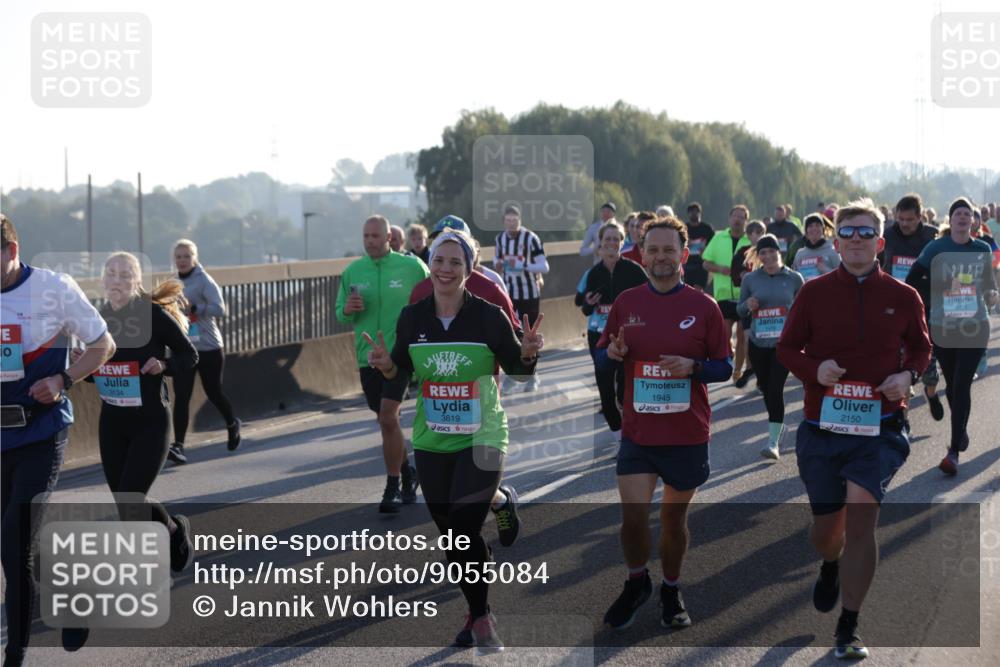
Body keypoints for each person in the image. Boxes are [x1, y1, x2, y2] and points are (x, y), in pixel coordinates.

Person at [365, 231, 543, 653]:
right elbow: (401, 371)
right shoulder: (413, 317)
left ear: (469, 268)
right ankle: (500, 503)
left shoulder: (488, 316)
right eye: (439, 261)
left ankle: (481, 618)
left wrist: (528, 353)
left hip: (484, 434)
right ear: (430, 265)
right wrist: (387, 365)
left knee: (464, 526)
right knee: (453, 538)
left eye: (455, 262)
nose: (445, 269)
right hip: (433, 439)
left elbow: (519, 372)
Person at [777, 198, 931, 660]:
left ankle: (849, 624)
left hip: (879, 428)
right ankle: (830, 562)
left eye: (866, 233)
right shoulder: (813, 293)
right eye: (848, 233)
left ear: (880, 244)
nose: (857, 240)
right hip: (822, 429)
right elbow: (787, 349)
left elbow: (921, 349)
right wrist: (815, 369)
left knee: (862, 519)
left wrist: (908, 376)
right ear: (837, 242)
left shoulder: (904, 297)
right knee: (828, 533)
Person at [596, 217, 733, 631]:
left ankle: (671, 589)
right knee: (633, 518)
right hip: (639, 433)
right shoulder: (626, 303)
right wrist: (613, 354)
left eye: (669, 250)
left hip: (686, 434)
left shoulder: (704, 307)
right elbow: (602, 356)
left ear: (684, 255)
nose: (660, 257)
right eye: (652, 249)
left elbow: (724, 366)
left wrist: (694, 367)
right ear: (641, 255)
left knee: (673, 521)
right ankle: (637, 581)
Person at [2, 215, 116, 667]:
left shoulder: (53, 288)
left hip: (40, 432)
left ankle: (14, 655)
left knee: (13, 545)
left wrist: (62, 379)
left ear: (12, 251)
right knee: (16, 543)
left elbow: (103, 345)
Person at [77, 253, 199, 648]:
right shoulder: (97, 320)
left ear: (136, 280)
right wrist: (81, 366)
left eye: (124, 275)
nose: (116, 280)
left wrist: (162, 365)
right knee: (128, 504)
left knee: (130, 500)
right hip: (113, 424)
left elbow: (189, 355)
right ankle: (173, 529)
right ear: (103, 280)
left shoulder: (152, 316)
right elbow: (92, 371)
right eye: (110, 274)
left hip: (150, 423)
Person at [336, 215, 429, 512]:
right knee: (385, 420)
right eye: (366, 236)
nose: (369, 241)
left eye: (375, 236)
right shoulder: (353, 271)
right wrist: (347, 309)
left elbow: (433, 297)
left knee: (388, 416)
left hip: (400, 354)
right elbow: (340, 313)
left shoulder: (412, 267)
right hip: (369, 357)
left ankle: (393, 486)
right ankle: (408, 473)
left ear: (389, 237)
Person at [905, 197, 999, 475]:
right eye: (958, 213)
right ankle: (961, 430)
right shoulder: (936, 248)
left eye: (967, 213)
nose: (962, 217)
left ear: (974, 220)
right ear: (951, 218)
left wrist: (992, 294)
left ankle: (953, 450)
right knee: (953, 386)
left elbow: (987, 284)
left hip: (974, 325)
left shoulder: (982, 248)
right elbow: (913, 280)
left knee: (961, 384)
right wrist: (939, 289)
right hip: (943, 326)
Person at [168, 239, 241, 464]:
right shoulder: (172, 283)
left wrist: (195, 308)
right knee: (182, 396)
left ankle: (232, 423)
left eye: (186, 256)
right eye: (178, 257)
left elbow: (220, 309)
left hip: (208, 347)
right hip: (183, 348)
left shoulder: (204, 280)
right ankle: (178, 445)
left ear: (195, 258)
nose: (182, 260)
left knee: (213, 392)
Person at [577, 220, 646, 441]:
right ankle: (619, 438)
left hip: (629, 336)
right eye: (607, 238)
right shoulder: (593, 274)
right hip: (599, 336)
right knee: (606, 395)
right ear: (600, 243)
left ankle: (632, 436)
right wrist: (588, 303)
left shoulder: (634, 270)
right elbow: (583, 307)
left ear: (622, 242)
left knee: (625, 393)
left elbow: (650, 299)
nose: (611, 243)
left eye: (616, 239)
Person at [737, 235, 804, 458]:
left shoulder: (794, 278)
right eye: (762, 252)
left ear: (779, 251)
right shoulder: (750, 279)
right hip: (758, 343)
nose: (767, 256)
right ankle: (779, 427)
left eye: (771, 251)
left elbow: (805, 309)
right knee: (766, 388)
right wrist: (748, 305)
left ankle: (773, 442)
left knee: (775, 389)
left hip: (783, 345)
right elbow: (740, 309)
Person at [880, 193, 943, 417]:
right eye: (901, 219)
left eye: (910, 220)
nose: (904, 224)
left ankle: (931, 393)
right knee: (899, 364)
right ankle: (903, 421)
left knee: (929, 368)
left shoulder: (932, 236)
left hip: (925, 305)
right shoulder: (888, 235)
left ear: (920, 217)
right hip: (894, 306)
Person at [494, 205, 548, 390]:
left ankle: (532, 375)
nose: (511, 224)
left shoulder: (531, 238)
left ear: (520, 220)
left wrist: (522, 265)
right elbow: (497, 259)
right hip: (510, 294)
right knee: (513, 335)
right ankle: (514, 375)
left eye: (514, 220)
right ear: (503, 221)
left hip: (529, 293)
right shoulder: (500, 239)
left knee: (530, 335)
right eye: (508, 220)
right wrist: (498, 264)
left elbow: (544, 266)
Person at [703, 205, 753, 387]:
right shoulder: (719, 238)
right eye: (735, 216)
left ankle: (738, 371)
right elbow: (705, 263)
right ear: (729, 218)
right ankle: (729, 353)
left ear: (746, 220)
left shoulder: (750, 240)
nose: (737, 219)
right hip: (723, 295)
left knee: (741, 334)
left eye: (741, 217)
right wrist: (720, 269)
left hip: (743, 295)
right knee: (724, 332)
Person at [792, 214, 840, 281]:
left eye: (817, 225)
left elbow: (841, 277)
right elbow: (795, 279)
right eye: (810, 226)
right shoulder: (800, 254)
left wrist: (826, 270)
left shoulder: (832, 251)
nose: (814, 228)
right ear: (806, 231)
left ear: (822, 229)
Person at [683, 202, 716, 293]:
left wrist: (706, 251)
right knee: (687, 289)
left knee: (698, 290)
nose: (694, 213)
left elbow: (714, 244)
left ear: (700, 213)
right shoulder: (683, 228)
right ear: (688, 213)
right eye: (692, 211)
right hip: (686, 264)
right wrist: (686, 244)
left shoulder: (707, 228)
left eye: (697, 211)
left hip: (702, 264)